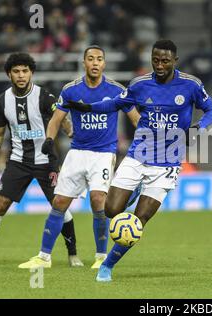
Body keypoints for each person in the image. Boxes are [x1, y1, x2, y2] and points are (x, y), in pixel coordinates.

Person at [62, 39, 212, 282]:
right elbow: (115, 104)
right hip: (138, 155)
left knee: (139, 219)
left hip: (167, 164)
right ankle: (134, 190)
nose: (159, 64)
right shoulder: (140, 85)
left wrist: (199, 127)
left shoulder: (191, 85)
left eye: (165, 60)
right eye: (155, 60)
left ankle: (108, 266)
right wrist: (86, 109)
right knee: (111, 210)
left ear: (174, 61)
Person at [18, 46, 141, 270]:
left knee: (98, 201)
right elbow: (56, 119)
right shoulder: (71, 90)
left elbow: (135, 119)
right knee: (59, 203)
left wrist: (148, 141)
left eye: (100, 59)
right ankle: (44, 258)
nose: (95, 63)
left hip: (103, 154)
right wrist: (49, 139)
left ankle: (101, 257)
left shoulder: (116, 90)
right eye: (91, 59)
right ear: (83, 63)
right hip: (77, 152)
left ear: (105, 64)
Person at [0, 53, 82, 268]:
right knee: (0, 204)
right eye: (16, 71)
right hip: (18, 161)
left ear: (31, 72)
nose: (21, 75)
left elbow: (63, 121)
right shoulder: (2, 101)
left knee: (59, 205)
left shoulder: (44, 97)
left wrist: (74, 140)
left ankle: (73, 254)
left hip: (46, 161)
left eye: (25, 71)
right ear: (9, 74)